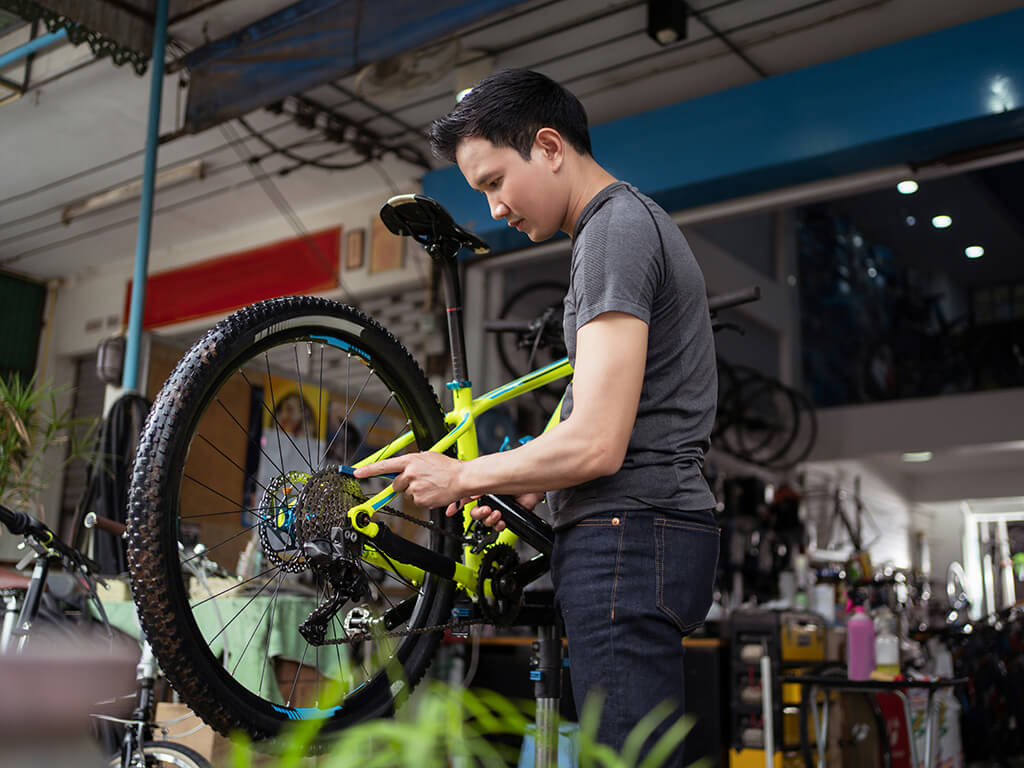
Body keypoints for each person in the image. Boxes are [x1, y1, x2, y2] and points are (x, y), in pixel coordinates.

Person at [355, 68, 719, 764]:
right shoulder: (613, 231)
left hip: (629, 537)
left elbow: (598, 445)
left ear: (549, 147)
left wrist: (461, 477)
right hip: (639, 535)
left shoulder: (615, 230)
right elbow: (598, 419)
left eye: (495, 181)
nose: (493, 209)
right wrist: (533, 482)